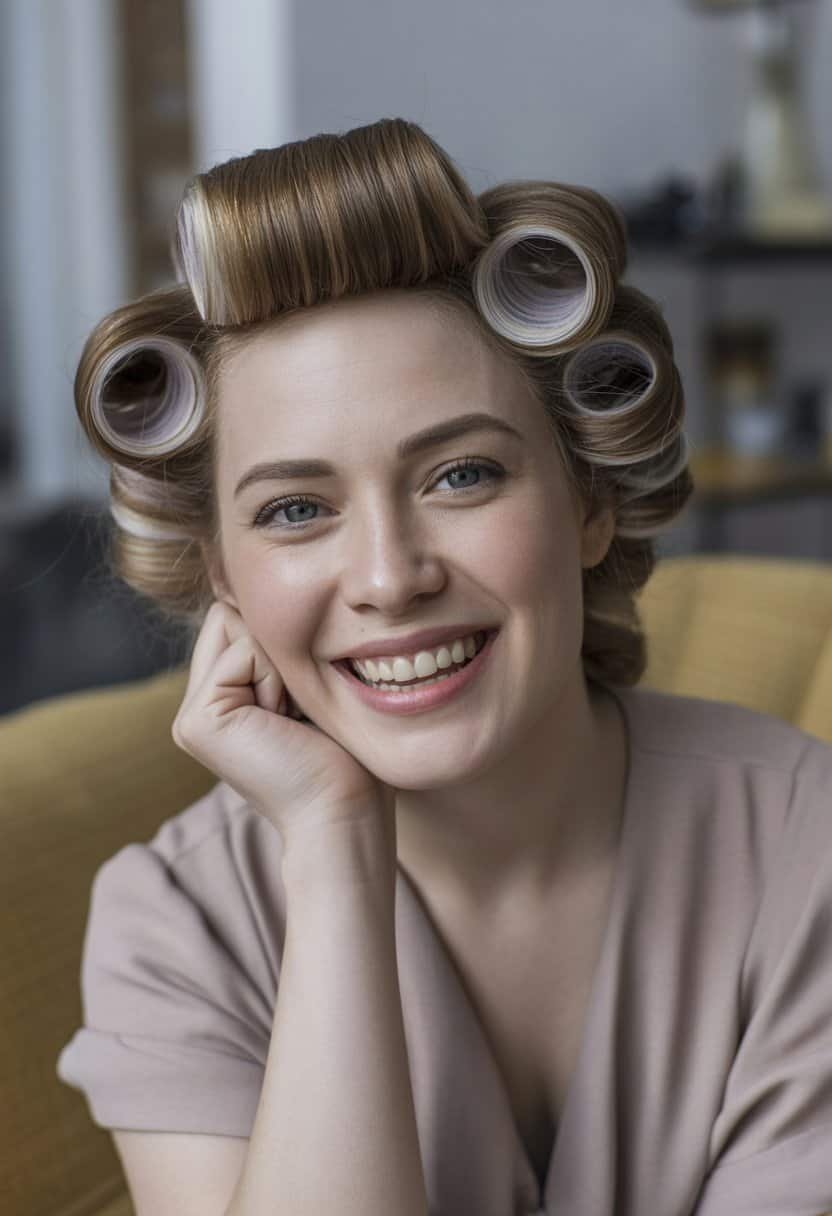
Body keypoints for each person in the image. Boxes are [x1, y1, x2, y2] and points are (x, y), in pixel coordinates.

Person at [55, 118, 832, 1216]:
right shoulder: (176, 923)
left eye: (462, 475)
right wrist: (334, 854)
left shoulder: (806, 844)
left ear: (590, 503)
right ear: (222, 575)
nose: (389, 576)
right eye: (295, 510)